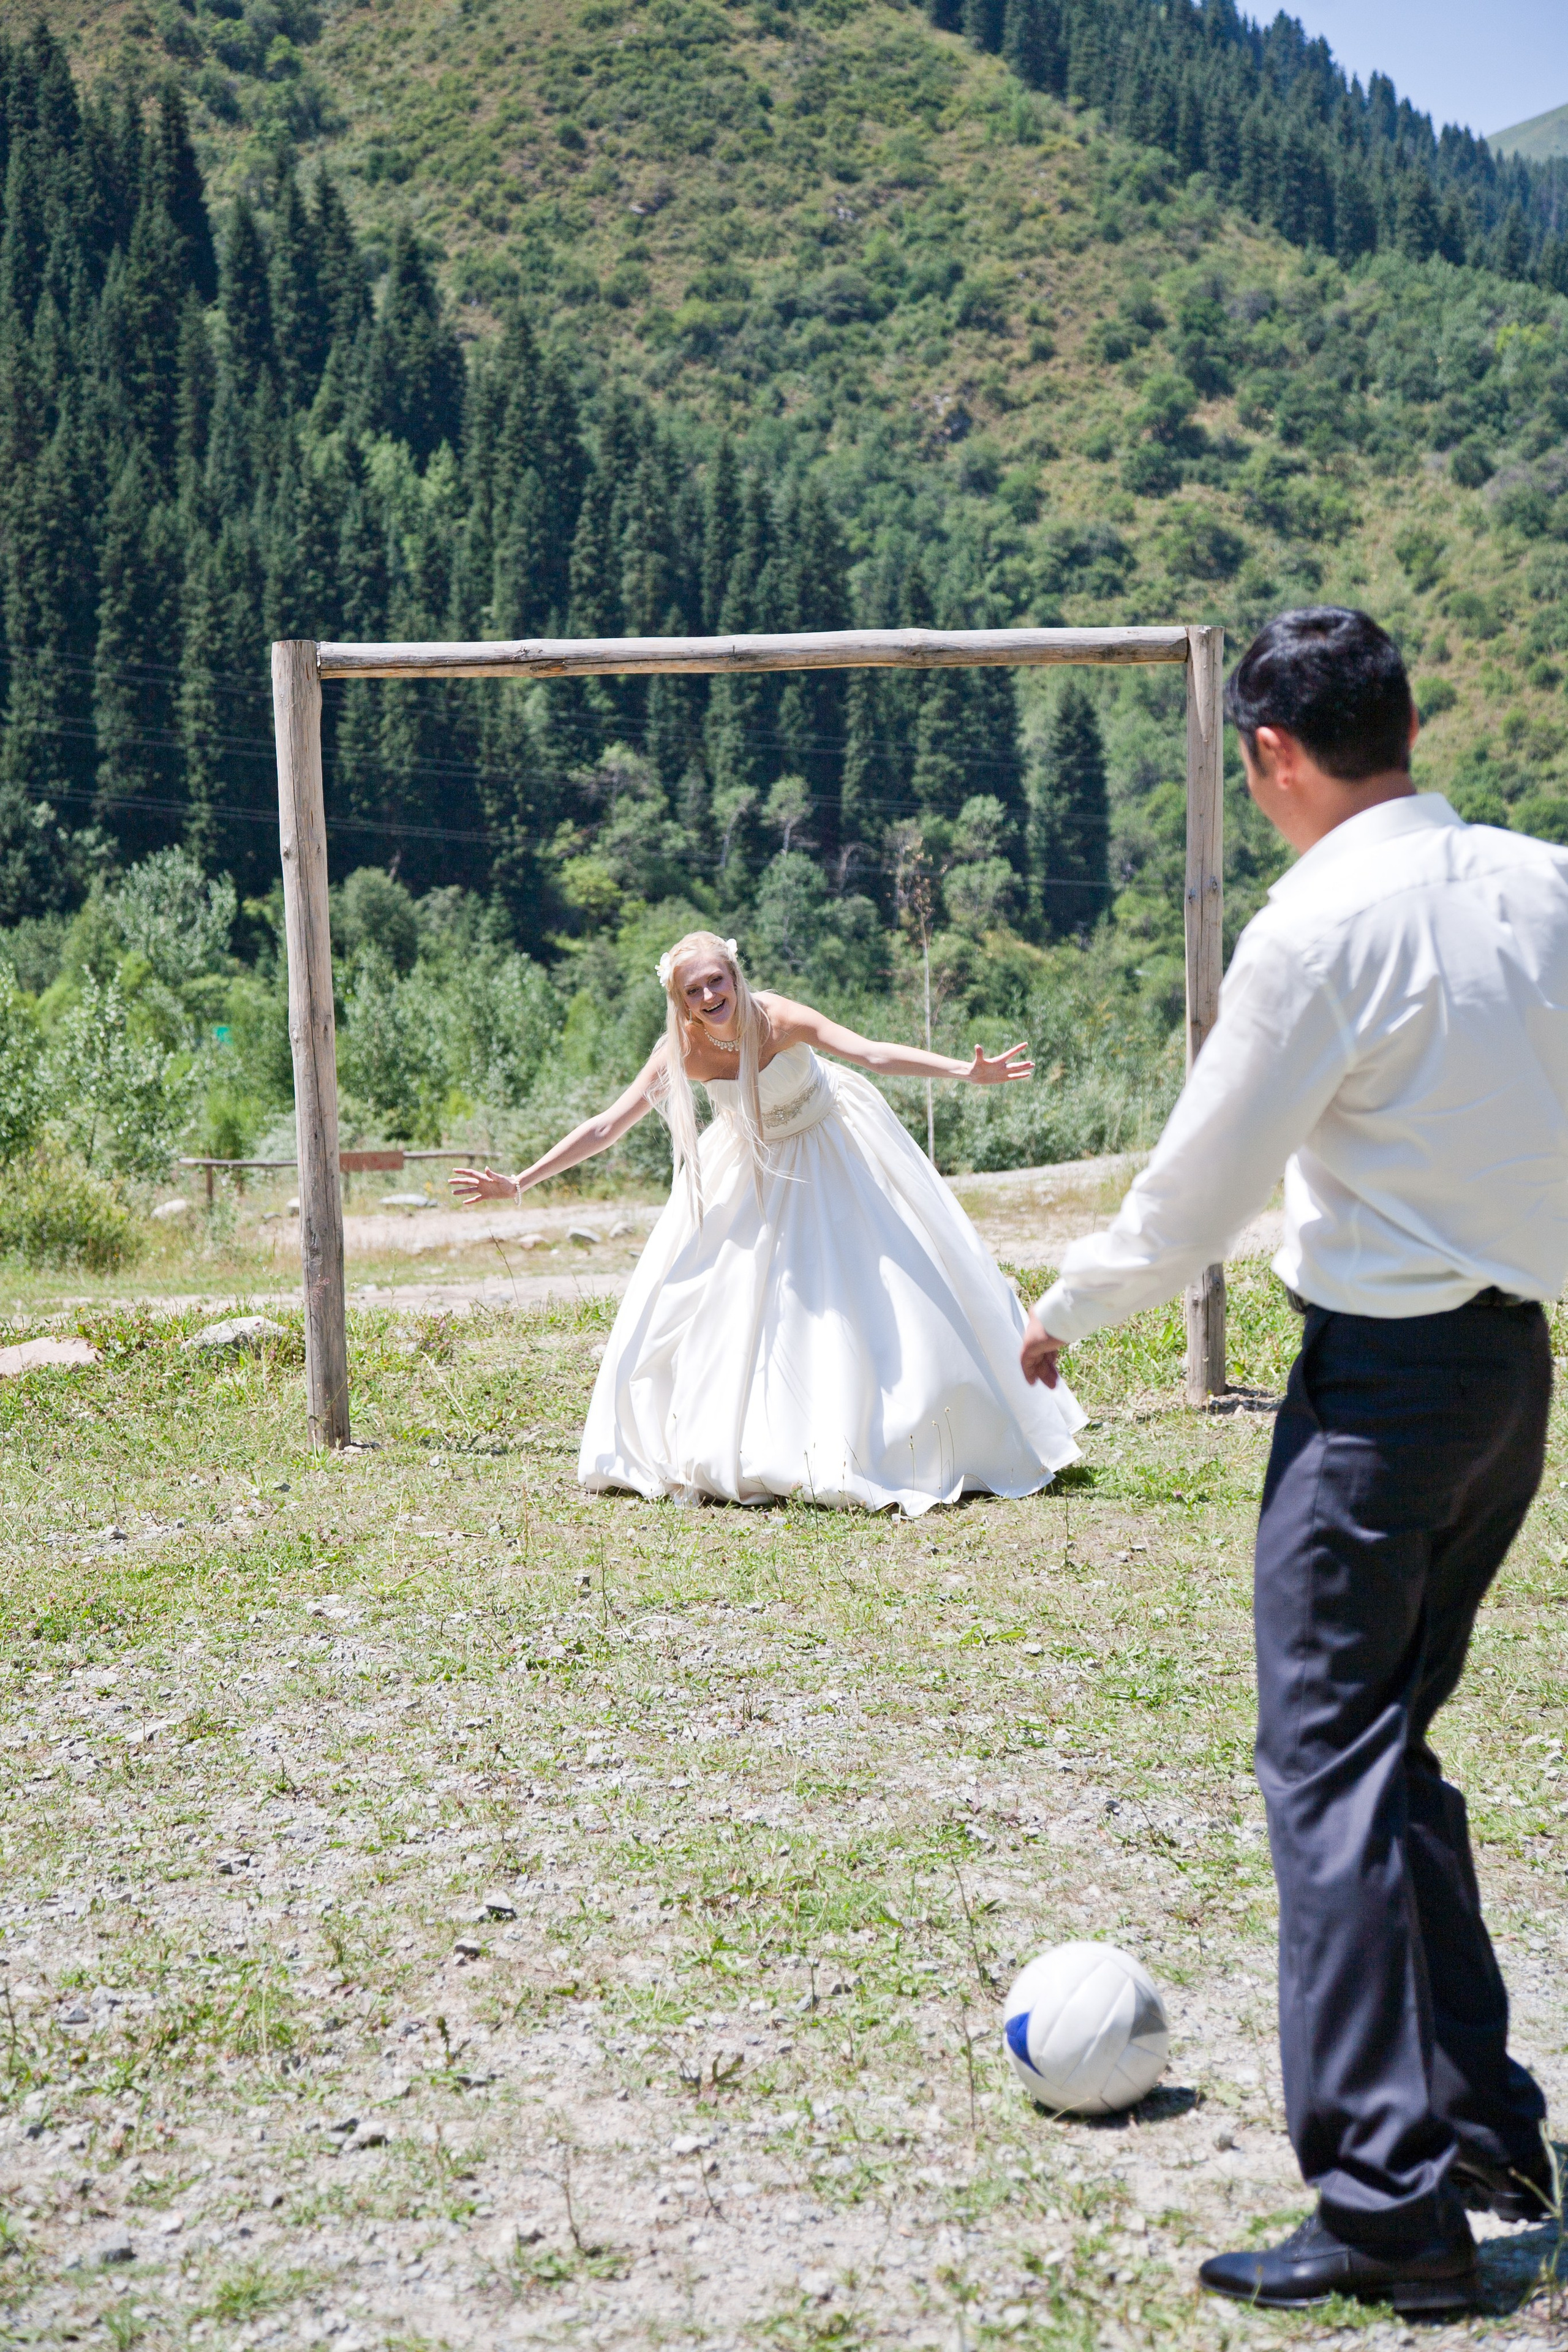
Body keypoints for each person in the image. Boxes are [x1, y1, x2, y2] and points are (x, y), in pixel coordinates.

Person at [1021, 608, 1566, 2315]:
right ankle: (1482, 2131)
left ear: (1269, 755)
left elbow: (1202, 1183)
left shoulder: (1315, 925)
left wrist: (1067, 1309)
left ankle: (1391, 2215)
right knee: (1391, 1750)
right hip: (1513, 1372)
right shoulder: (1543, 880)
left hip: (1382, 1391)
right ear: (1404, 721)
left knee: (1326, 1769)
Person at [451, 930, 1085, 1514]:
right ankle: (764, 1440)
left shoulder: (778, 1018)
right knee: (724, 1307)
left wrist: (962, 1071)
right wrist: (519, 1182)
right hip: (750, 1167)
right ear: (681, 1000)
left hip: (833, 1144)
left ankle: (918, 1436)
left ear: (734, 975)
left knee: (872, 1291)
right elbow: (607, 1126)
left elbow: (868, 1053)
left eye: (716, 981)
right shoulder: (683, 1049)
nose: (709, 996)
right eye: (694, 990)